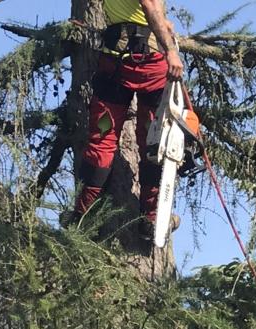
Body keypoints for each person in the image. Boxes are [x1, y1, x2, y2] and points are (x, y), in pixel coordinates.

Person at [63, 0, 185, 240]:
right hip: (150, 66)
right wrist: (171, 50)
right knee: (154, 143)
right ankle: (152, 218)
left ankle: (82, 215)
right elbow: (149, 5)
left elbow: (144, 9)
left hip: (114, 63)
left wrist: (163, 22)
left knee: (103, 140)